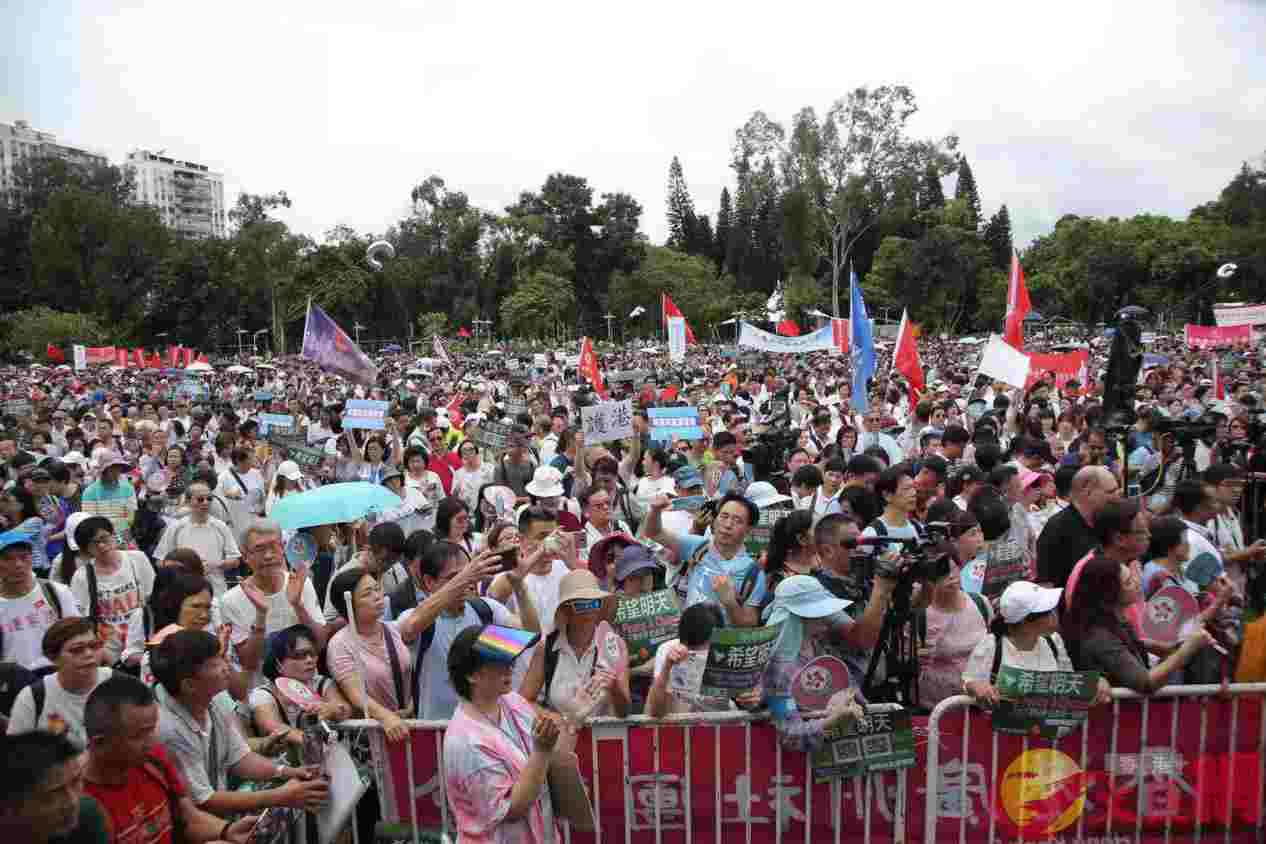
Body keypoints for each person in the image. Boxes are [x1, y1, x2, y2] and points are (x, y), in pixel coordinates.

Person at [150, 629, 329, 815]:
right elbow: (204, 800)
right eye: (214, 664)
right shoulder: (167, 728)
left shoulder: (216, 698)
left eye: (222, 658)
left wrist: (290, 772)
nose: (226, 667)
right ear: (189, 685)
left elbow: (240, 758)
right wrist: (280, 796)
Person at [82, 675, 259, 844]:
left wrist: (227, 830)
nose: (151, 741)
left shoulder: (154, 761)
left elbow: (189, 818)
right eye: (138, 735)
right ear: (99, 742)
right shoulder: (81, 806)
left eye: (152, 729)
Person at [443, 624, 566, 844]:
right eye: (498, 660)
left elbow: (546, 759)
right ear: (472, 675)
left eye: (510, 657)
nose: (511, 666)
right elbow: (512, 809)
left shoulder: (511, 701)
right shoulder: (466, 742)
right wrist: (541, 752)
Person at [405, 541, 539, 720]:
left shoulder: (485, 610)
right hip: (436, 734)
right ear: (429, 581)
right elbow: (409, 628)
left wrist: (518, 584)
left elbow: (531, 635)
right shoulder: (420, 619)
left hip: (487, 731)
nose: (468, 583)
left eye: (470, 574)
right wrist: (466, 575)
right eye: (454, 577)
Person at [1063, 555, 1217, 693]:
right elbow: (1146, 682)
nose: (1137, 583)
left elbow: (1154, 650)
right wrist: (1187, 649)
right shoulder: (1100, 637)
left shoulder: (1118, 623)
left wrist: (1185, 643)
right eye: (1128, 582)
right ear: (1109, 594)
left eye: (1132, 577)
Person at [962, 581, 1110, 707]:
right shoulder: (991, 645)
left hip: (1047, 735)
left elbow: (1068, 682)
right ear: (1025, 622)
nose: (1054, 615)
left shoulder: (1054, 641)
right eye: (1047, 612)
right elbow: (969, 681)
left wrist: (1096, 681)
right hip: (1001, 736)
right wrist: (976, 686)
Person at [762, 576, 866, 751]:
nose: (827, 616)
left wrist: (853, 703)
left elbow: (853, 693)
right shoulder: (776, 669)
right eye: (818, 612)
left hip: (838, 764)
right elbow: (790, 733)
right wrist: (831, 721)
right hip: (797, 771)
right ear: (796, 617)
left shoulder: (823, 649)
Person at [221, 519, 326, 689]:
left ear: (283, 546)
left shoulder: (299, 583)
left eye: (274, 546)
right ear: (245, 554)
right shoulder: (230, 600)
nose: (268, 555)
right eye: (259, 549)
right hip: (263, 693)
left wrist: (298, 605)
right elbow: (249, 662)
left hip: (308, 688)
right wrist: (261, 614)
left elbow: (320, 643)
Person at [643, 491, 766, 626]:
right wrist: (655, 510)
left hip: (722, 644)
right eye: (724, 516)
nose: (728, 525)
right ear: (715, 519)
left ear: (748, 530)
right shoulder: (698, 546)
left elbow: (750, 623)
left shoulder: (754, 572)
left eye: (737, 520)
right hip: (688, 639)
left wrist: (730, 603)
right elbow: (654, 532)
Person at [519, 570, 630, 719]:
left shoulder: (614, 644)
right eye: (581, 604)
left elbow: (624, 712)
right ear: (566, 610)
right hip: (559, 738)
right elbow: (523, 701)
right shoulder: (546, 647)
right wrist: (553, 719)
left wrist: (615, 687)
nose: (589, 610)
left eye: (594, 602)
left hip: (601, 738)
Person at [6, 619, 111, 749]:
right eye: (77, 649)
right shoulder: (32, 698)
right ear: (53, 658)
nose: (89, 654)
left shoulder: (118, 683)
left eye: (94, 646)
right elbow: (14, 756)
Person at [646, 602, 760, 716]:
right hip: (681, 725)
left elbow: (750, 704)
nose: (700, 653)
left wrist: (749, 701)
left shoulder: (732, 653)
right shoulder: (667, 649)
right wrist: (667, 667)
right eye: (692, 649)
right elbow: (656, 712)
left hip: (721, 725)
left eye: (706, 646)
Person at [69, 517, 155, 666]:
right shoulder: (82, 577)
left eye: (104, 538)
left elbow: (153, 597)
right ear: (87, 549)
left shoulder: (137, 559)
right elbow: (81, 619)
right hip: (109, 649)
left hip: (144, 639)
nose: (102, 546)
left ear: (113, 535)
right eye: (94, 543)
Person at [250, 625, 352, 749]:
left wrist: (330, 709)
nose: (309, 660)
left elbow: (345, 709)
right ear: (278, 664)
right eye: (299, 655)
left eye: (312, 653)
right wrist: (309, 741)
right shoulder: (263, 695)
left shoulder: (321, 683)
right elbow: (273, 726)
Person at [0, 730, 109, 844]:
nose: (73, 802)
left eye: (75, 782)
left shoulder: (87, 818)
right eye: (56, 792)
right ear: (11, 804)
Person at [0, 531, 79, 671]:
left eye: (24, 557)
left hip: (58, 676)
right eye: (7, 559)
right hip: (11, 683)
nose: (18, 564)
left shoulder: (56, 592)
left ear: (32, 558)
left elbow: (77, 635)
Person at [150, 481, 241, 598]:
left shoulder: (221, 526)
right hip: (184, 593)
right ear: (188, 502)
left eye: (209, 499)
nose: (205, 503)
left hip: (216, 593)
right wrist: (186, 567)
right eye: (200, 499)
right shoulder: (176, 527)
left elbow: (235, 560)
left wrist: (215, 565)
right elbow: (160, 562)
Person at [1036, 466, 1120, 588]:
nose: (1117, 498)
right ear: (1088, 492)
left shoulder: (1109, 520)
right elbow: (1047, 583)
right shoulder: (1057, 529)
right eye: (1111, 492)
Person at [78, 453, 137, 544]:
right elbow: (91, 521)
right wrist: (109, 538)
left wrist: (121, 537)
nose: (116, 471)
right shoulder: (90, 492)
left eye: (118, 467)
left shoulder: (128, 488)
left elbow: (130, 517)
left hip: (124, 535)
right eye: (112, 468)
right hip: (101, 539)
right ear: (104, 470)